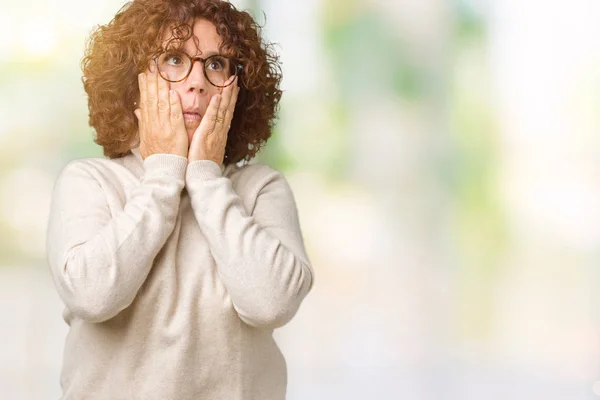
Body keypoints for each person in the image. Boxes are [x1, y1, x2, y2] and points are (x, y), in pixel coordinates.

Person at [45, 0, 315, 398]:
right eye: (174, 59)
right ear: (131, 84)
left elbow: (271, 304)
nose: (198, 82)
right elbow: (93, 295)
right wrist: (164, 174)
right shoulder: (89, 181)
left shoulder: (261, 189)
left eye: (216, 64)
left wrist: (205, 178)